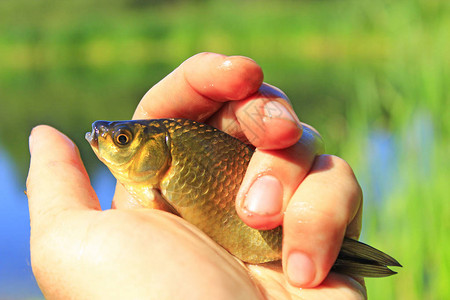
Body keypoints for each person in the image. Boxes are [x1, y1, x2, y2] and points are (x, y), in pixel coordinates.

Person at [27, 53, 366, 299]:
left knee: (280, 148)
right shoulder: (138, 214)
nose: (108, 141)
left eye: (122, 140)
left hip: (280, 263)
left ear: (157, 151)